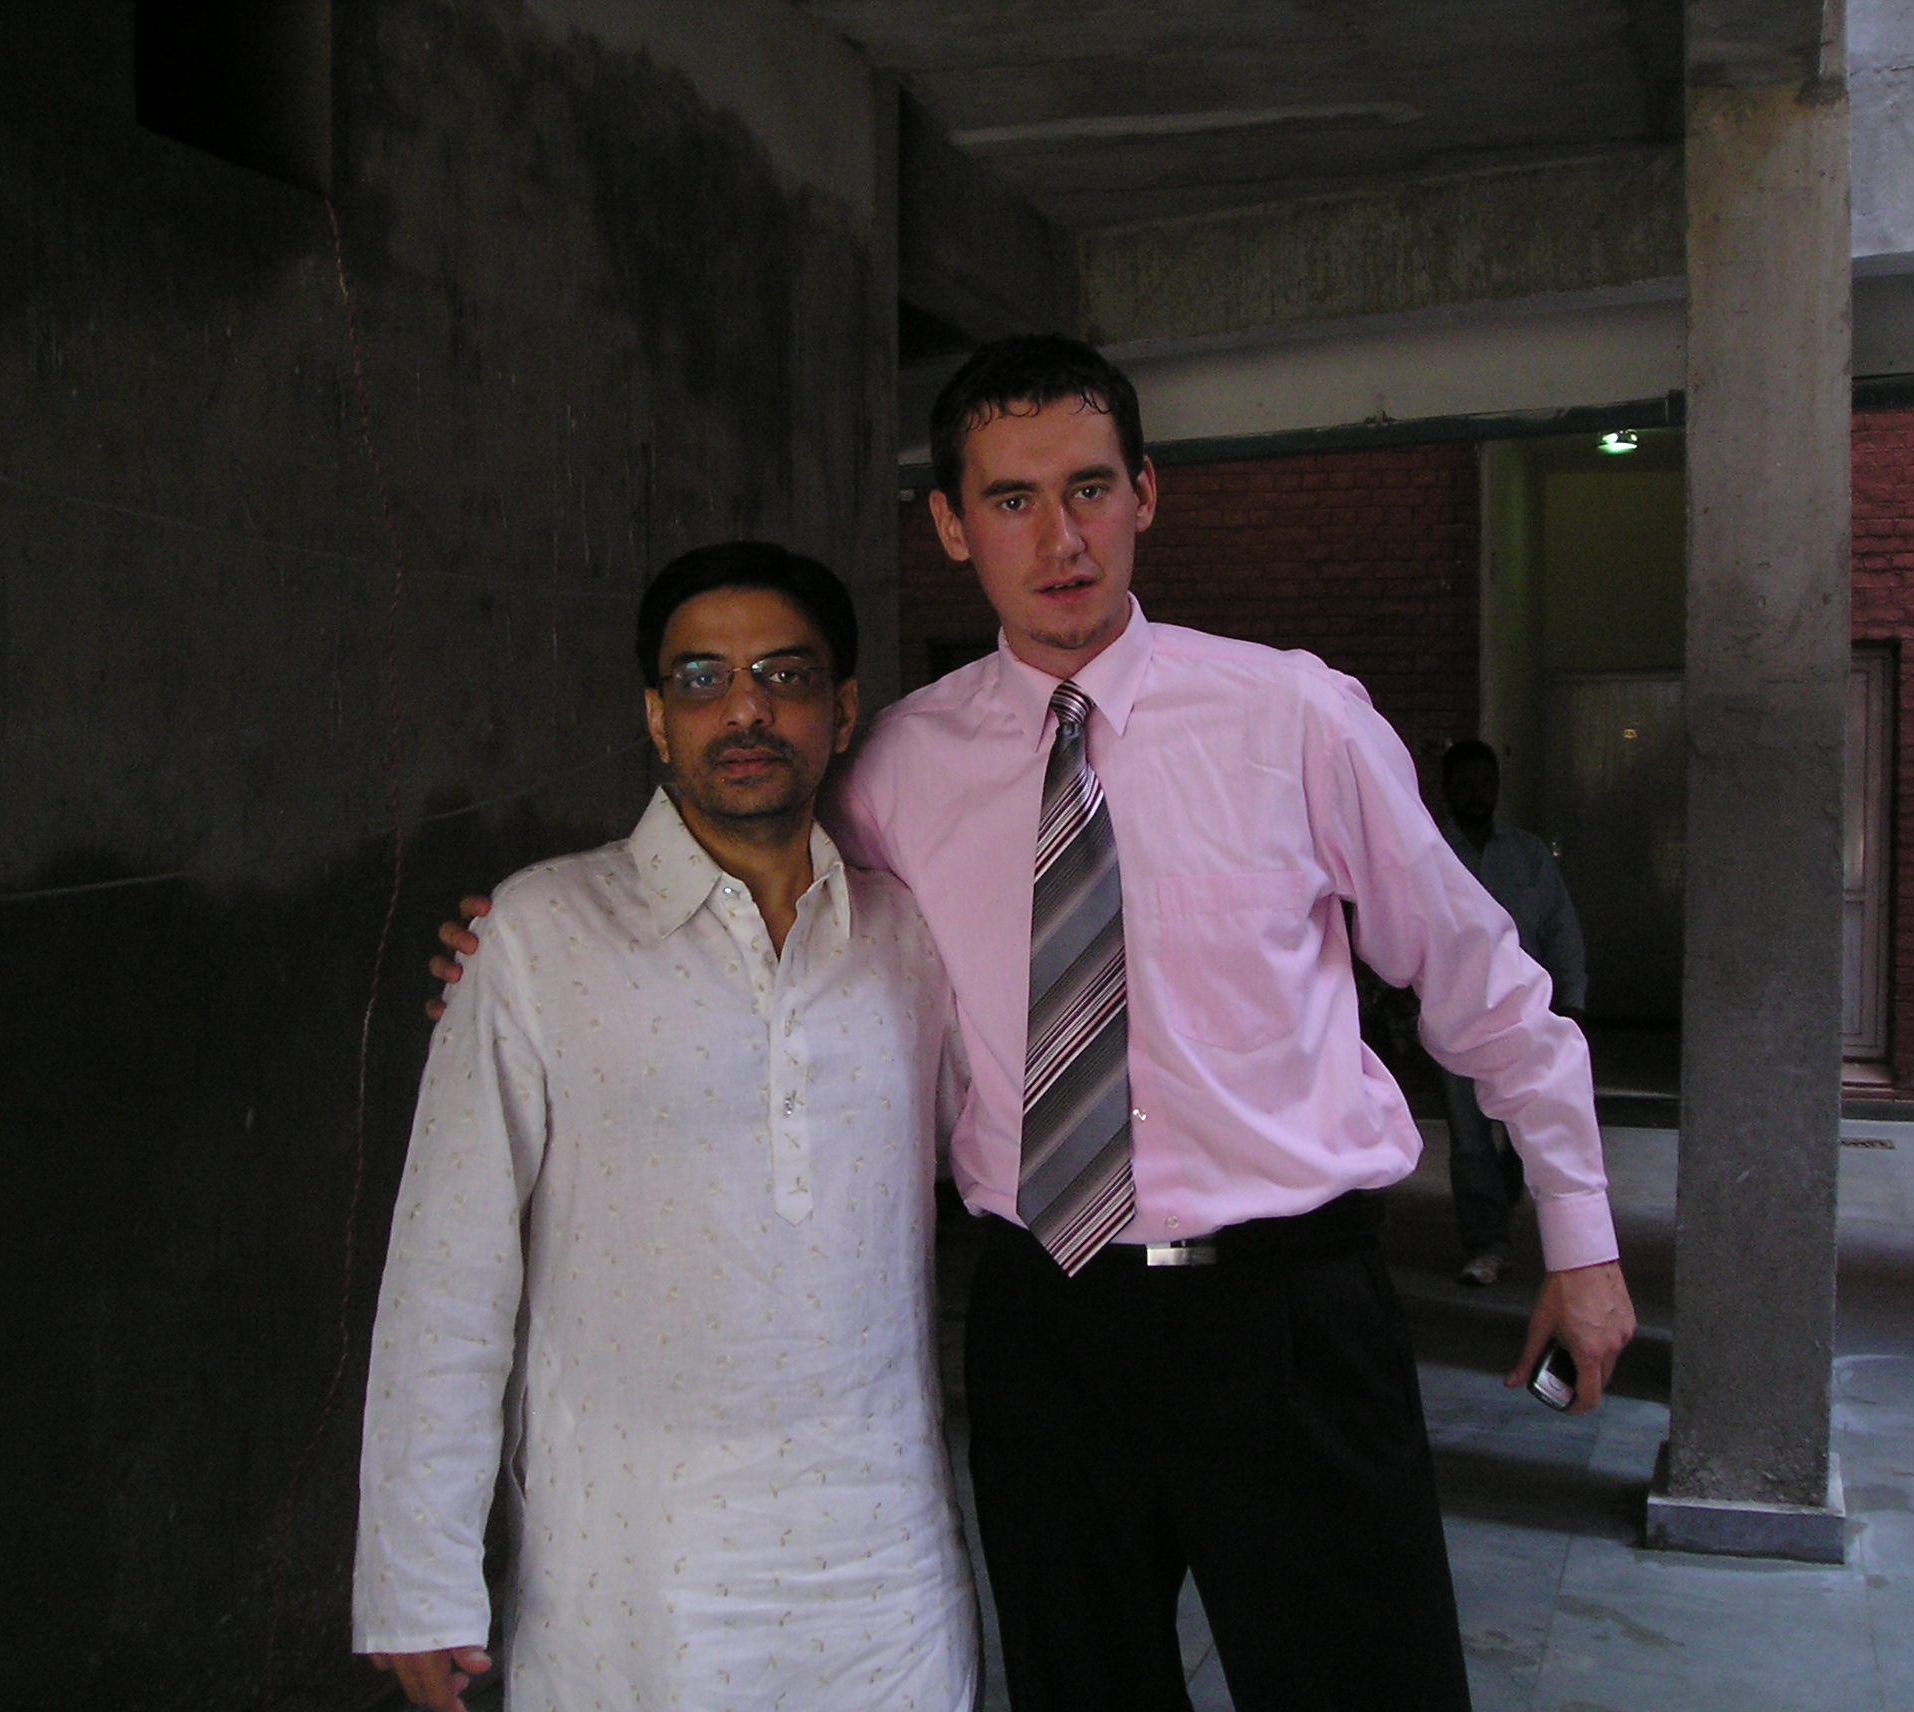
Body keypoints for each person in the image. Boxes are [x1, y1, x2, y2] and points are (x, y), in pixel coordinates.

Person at [436, 337, 1635, 1712]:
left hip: (1286, 1316)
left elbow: (1485, 984)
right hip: (1045, 1325)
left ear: (1145, 495)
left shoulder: (1293, 717)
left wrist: (1582, 1239)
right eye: (1010, 500)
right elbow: (747, 902)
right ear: (952, 525)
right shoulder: (892, 771)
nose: (1058, 539)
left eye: (1088, 489)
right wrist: (536, 940)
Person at [357, 543, 978, 1712]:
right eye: (701, 678)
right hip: (632, 1581)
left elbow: (997, 1146)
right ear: (655, 716)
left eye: (785, 674)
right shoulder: (538, 934)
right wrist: (417, 1575)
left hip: (885, 1573)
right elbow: (447, 1272)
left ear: (843, 711)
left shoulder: (909, 937)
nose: (744, 709)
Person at [1436, 738, 1590, 1288]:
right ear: (1446, 790)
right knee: (1469, 1137)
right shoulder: (1429, 855)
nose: (1476, 794)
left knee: (1529, 1128)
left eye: (1486, 783)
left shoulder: (1529, 856)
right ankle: (1487, 1245)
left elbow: (1561, 928)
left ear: (1498, 787)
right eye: (1465, 784)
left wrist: (1573, 1000)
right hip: (1455, 1017)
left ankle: (1503, 1209)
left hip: (1527, 1014)